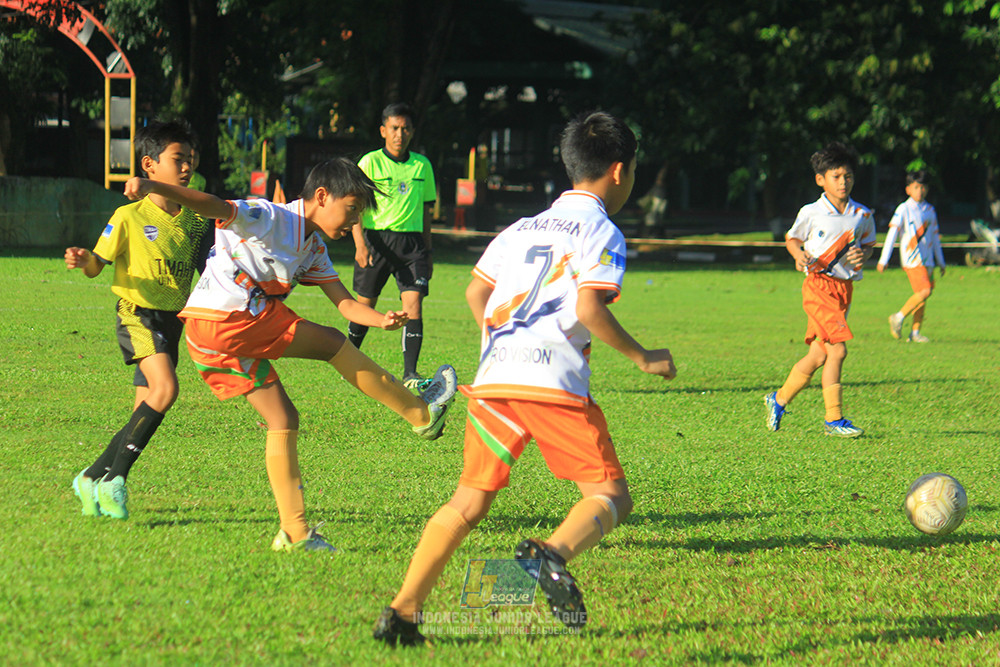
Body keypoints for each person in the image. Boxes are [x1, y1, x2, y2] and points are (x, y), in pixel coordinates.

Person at [372, 111, 677, 646]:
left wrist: (500, 347)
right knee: (610, 495)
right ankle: (551, 554)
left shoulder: (522, 227)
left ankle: (403, 610)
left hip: (494, 380)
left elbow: (475, 293)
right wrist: (642, 355)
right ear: (620, 171)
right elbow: (589, 305)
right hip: (551, 381)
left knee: (467, 500)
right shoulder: (602, 228)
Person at [123, 157, 457, 552]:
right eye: (351, 210)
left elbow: (347, 305)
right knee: (333, 343)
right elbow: (214, 204)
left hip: (212, 337)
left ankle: (294, 533)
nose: (354, 223)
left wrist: (381, 319)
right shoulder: (268, 216)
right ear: (321, 196)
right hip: (227, 319)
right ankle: (421, 414)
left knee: (283, 418)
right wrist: (154, 186)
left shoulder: (313, 248)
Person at [65, 119, 213, 520]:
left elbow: (209, 271)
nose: (187, 167)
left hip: (172, 321)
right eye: (178, 159)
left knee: (143, 410)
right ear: (149, 165)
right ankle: (116, 481)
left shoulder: (198, 220)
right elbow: (99, 265)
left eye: (191, 160)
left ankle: (92, 477)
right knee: (166, 390)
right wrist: (84, 261)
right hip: (137, 314)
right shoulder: (129, 215)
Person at [764, 142, 876, 439]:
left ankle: (778, 399)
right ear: (821, 179)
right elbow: (793, 239)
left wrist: (863, 256)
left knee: (818, 355)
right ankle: (834, 419)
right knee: (837, 350)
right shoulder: (812, 212)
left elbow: (869, 245)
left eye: (848, 176)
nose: (843, 182)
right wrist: (798, 254)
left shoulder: (862, 215)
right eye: (836, 176)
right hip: (817, 287)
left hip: (844, 289)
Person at [349, 103, 437, 389]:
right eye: (395, 128)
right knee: (365, 304)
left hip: (412, 246)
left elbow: (426, 213)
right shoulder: (369, 162)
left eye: (406, 128)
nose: (401, 134)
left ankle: (410, 373)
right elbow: (355, 207)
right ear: (383, 130)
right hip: (376, 240)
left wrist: (428, 251)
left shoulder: (423, 165)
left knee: (414, 305)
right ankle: (348, 360)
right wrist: (360, 244)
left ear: (412, 131)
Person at [877, 170, 945, 343]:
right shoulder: (904, 209)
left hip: (928, 259)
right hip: (912, 259)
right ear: (908, 189)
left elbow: (935, 238)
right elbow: (893, 234)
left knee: (921, 296)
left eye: (923, 187)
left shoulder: (930, 210)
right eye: (916, 187)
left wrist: (941, 261)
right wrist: (884, 259)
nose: (920, 190)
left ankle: (915, 333)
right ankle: (898, 317)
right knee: (925, 291)